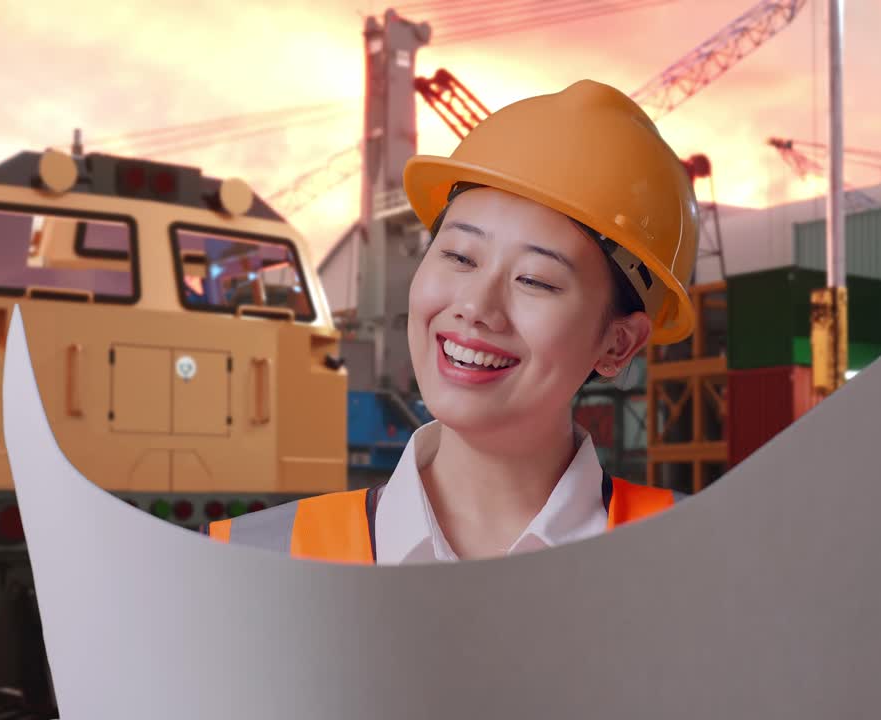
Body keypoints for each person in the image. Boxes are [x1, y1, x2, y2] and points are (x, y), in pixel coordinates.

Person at [202, 79, 699, 564]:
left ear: (618, 344)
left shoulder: (698, 563)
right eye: (460, 257)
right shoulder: (246, 561)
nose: (476, 306)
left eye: (535, 280)